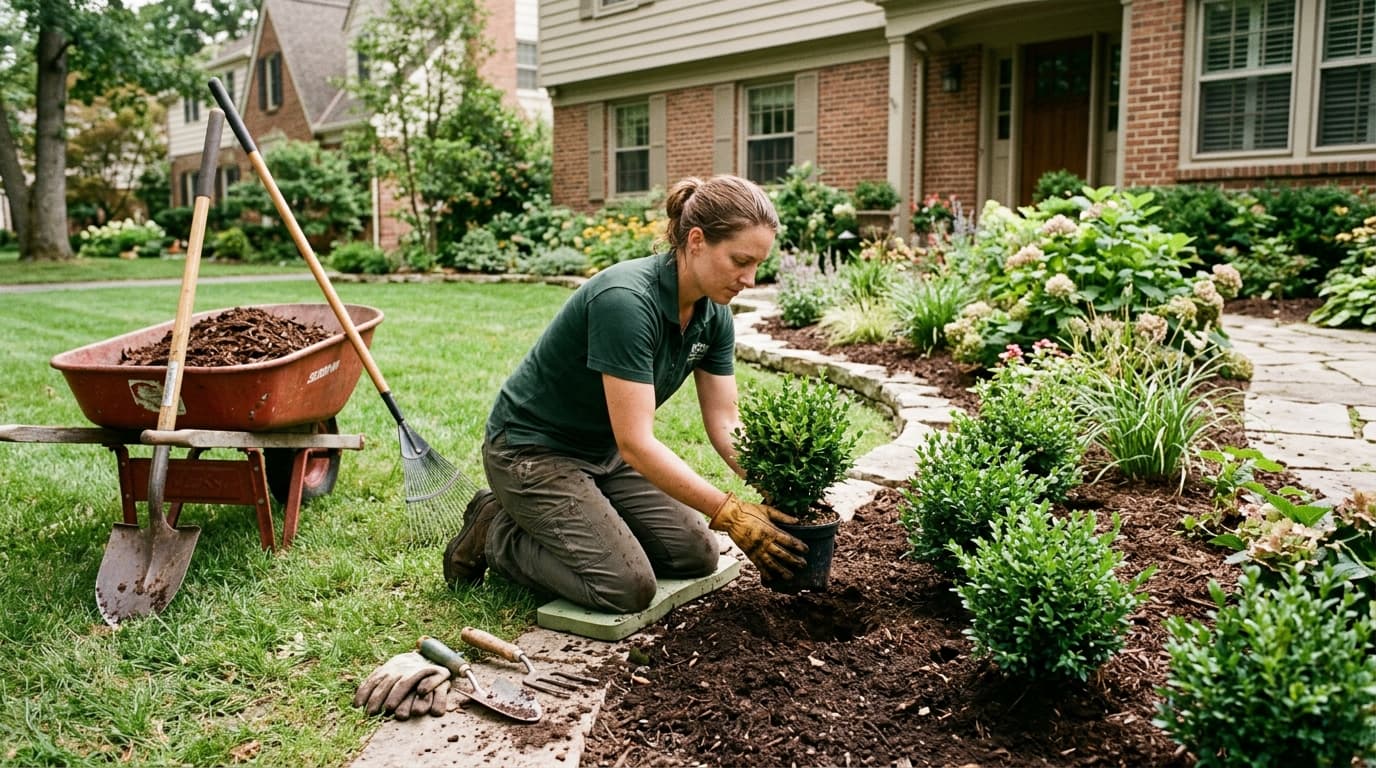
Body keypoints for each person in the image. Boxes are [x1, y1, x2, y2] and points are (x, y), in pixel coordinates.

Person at [443, 174, 808, 613]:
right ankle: (495, 532)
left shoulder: (714, 314)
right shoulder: (627, 301)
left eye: (757, 265)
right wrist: (729, 512)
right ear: (696, 241)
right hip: (532, 452)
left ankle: (581, 521)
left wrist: (776, 486)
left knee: (696, 554)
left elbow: (725, 422)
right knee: (625, 587)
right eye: (739, 261)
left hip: (604, 452)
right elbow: (636, 442)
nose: (749, 279)